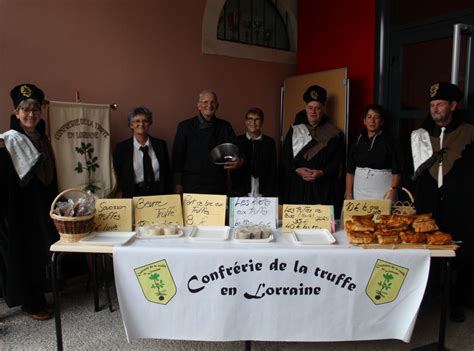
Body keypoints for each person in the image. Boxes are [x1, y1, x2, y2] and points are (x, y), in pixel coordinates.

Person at [411, 82, 474, 322]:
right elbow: (413, 170)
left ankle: (456, 301)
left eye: (440, 104)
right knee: (427, 250)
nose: (435, 109)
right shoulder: (421, 135)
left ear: (453, 105)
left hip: (459, 204)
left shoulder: (469, 132)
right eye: (432, 105)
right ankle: (428, 296)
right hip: (429, 203)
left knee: (457, 251)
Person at [0, 84, 58, 320]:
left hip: (41, 206)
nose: (31, 114)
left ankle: (40, 298)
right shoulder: (9, 141)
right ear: (16, 113)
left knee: (40, 253)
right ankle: (31, 304)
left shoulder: (42, 138)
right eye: (25, 110)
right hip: (20, 209)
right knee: (25, 256)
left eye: (35, 109)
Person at [280, 85, 344, 205]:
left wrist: (321, 173)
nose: (313, 112)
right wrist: (296, 170)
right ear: (306, 108)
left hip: (321, 189)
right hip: (297, 188)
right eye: (310, 108)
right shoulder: (295, 130)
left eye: (317, 108)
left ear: (324, 109)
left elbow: (336, 163)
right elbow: (285, 157)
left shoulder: (334, 133)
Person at [172, 90, 242, 195]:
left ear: (217, 105)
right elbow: (177, 158)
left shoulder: (225, 126)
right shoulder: (184, 127)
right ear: (199, 105)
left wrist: (240, 160)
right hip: (191, 186)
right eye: (205, 102)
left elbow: (237, 150)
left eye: (213, 102)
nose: (209, 105)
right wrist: (178, 183)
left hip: (217, 185)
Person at [345, 104, 402, 201]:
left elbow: (397, 172)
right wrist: (349, 194)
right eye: (369, 117)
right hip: (359, 193)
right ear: (364, 121)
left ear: (382, 121)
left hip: (382, 193)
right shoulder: (357, 142)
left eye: (376, 117)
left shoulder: (390, 142)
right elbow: (350, 172)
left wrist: (393, 193)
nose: (372, 121)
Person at [113, 107, 172, 197]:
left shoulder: (161, 145)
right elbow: (117, 175)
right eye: (137, 121)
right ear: (131, 125)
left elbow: (167, 173)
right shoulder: (122, 148)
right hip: (133, 194)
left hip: (159, 194)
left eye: (145, 121)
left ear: (149, 123)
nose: (141, 124)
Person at [232, 108, 277, 197]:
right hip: (242, 189)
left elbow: (273, 169)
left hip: (263, 190)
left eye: (257, 119)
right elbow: (234, 170)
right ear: (246, 122)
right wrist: (237, 190)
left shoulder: (269, 142)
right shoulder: (237, 141)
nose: (253, 122)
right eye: (250, 119)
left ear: (262, 122)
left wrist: (269, 193)